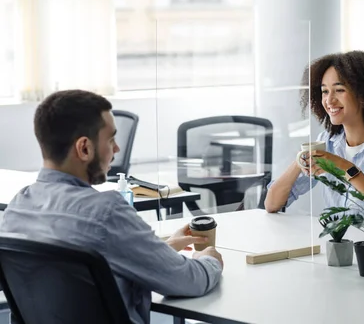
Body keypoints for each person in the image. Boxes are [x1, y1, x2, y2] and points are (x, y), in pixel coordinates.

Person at [0, 90, 223, 324]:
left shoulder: (17, 209)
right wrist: (209, 259)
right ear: (84, 148)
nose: (116, 149)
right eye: (110, 140)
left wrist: (161, 251)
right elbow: (188, 281)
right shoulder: (106, 213)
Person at [264, 50, 364, 215]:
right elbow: (272, 204)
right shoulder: (328, 141)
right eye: (325, 91)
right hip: (335, 240)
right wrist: (301, 160)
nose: (329, 100)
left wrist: (345, 167)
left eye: (339, 90)